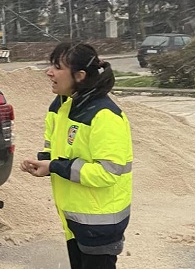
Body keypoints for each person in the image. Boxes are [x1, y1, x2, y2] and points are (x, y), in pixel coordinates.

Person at [21, 42, 133, 269]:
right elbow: (54, 146)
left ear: (80, 75)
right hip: (76, 219)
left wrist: (54, 166)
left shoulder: (104, 116)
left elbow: (106, 173)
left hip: (100, 223)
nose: (49, 72)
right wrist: (45, 162)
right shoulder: (62, 106)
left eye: (57, 67)